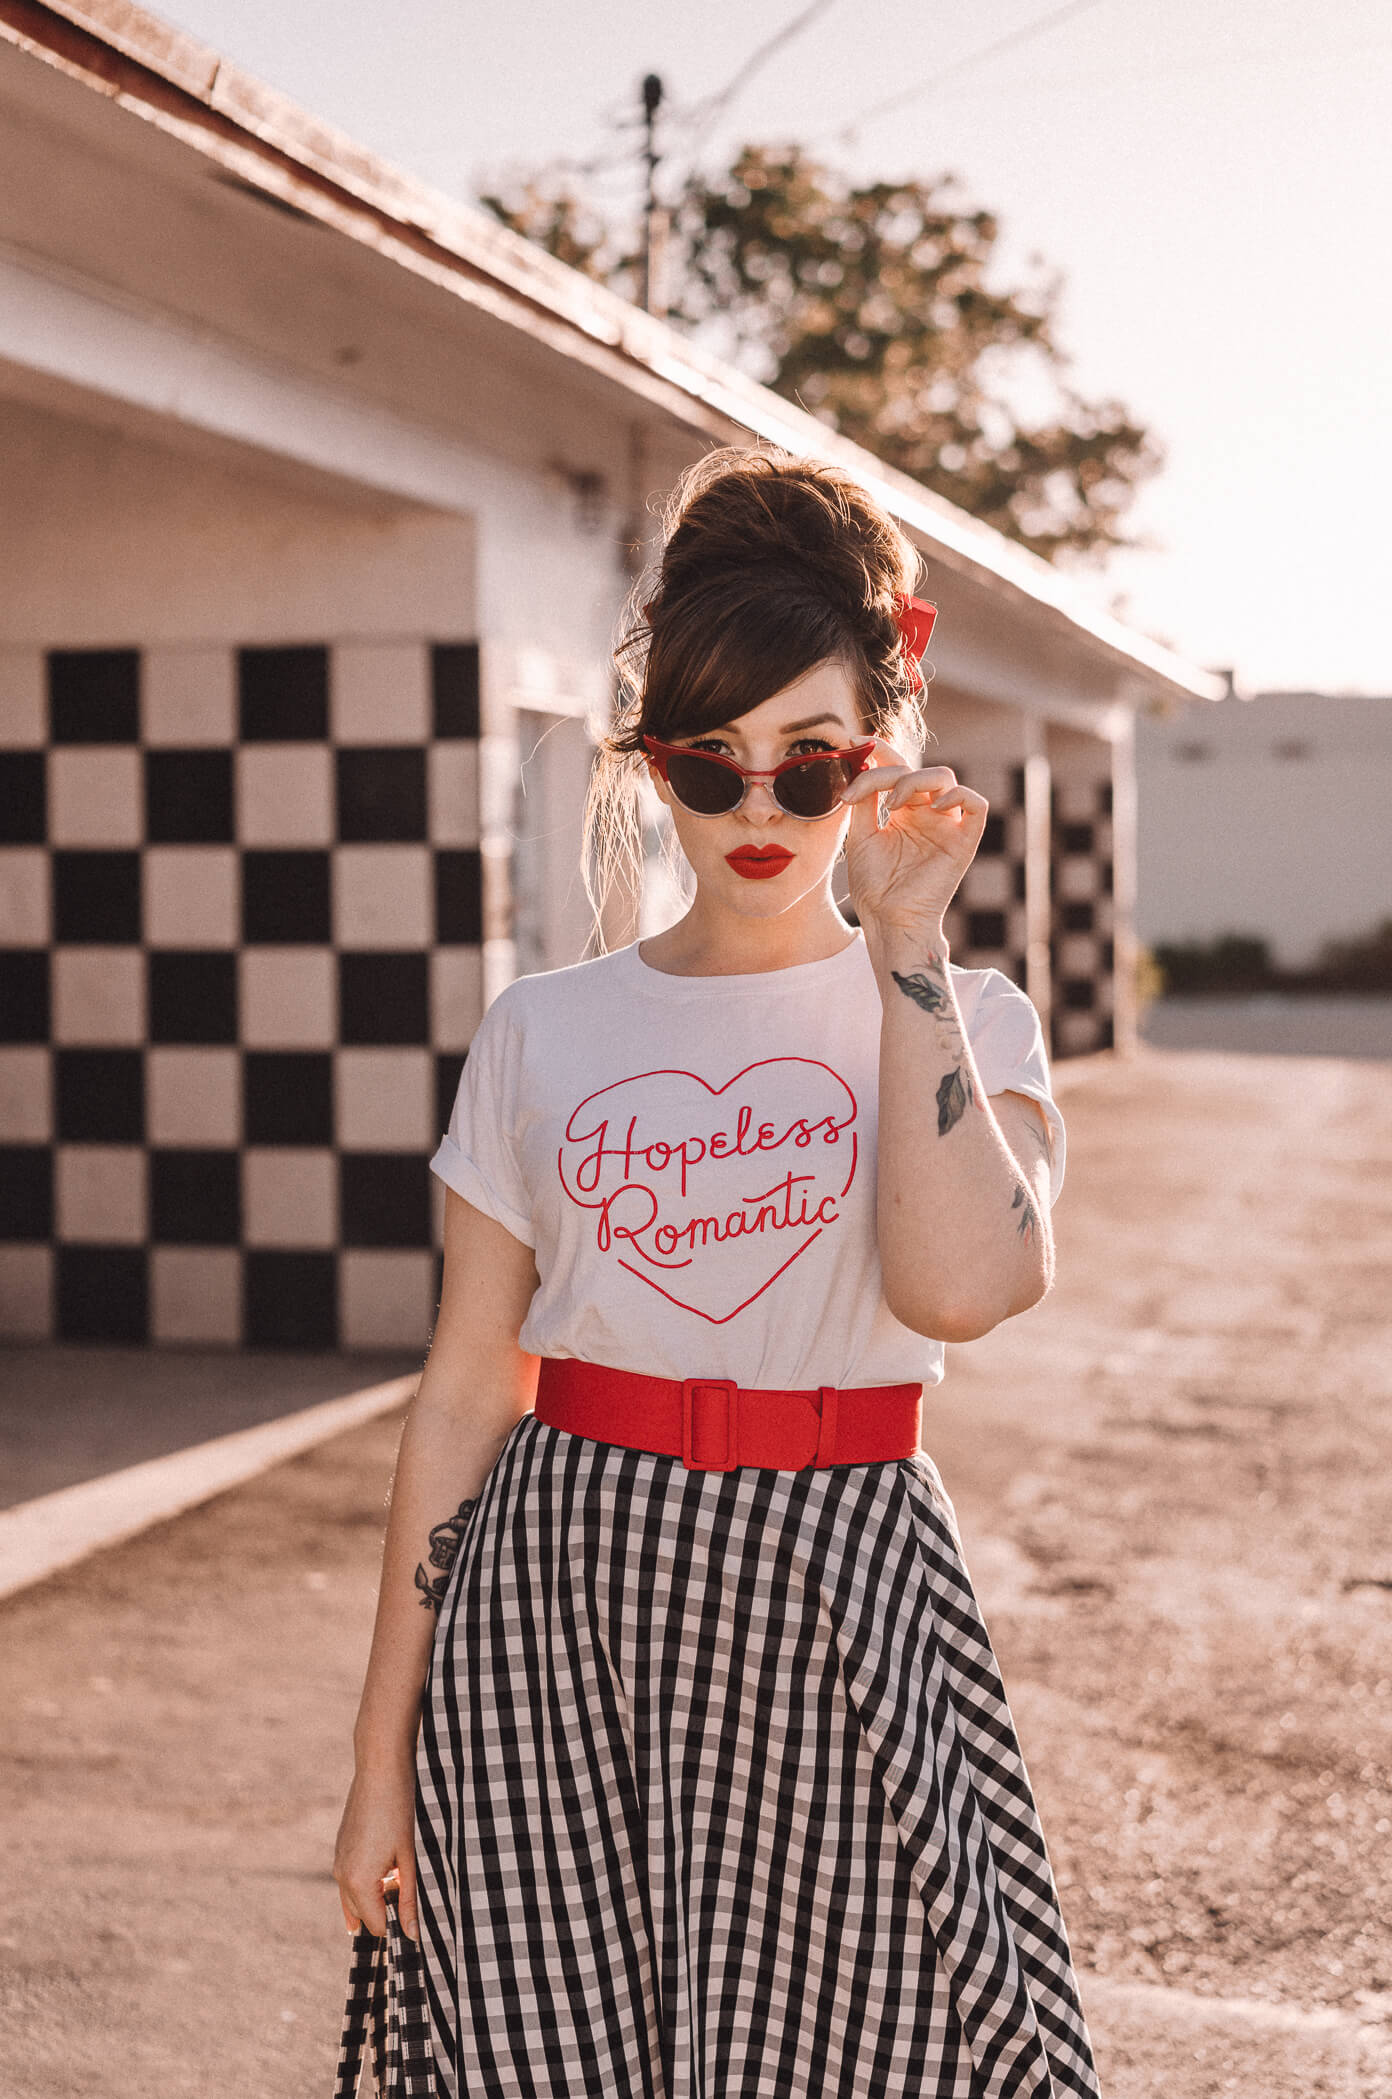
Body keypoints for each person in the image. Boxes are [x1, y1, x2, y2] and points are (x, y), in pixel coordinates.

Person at [333, 445, 1102, 2098]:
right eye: (711, 763)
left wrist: (906, 946)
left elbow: (962, 1290)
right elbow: (469, 1389)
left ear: (878, 755)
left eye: (810, 767)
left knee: (885, 2049)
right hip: (556, 1603)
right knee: (555, 2058)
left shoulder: (969, 1023)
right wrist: (377, 1753)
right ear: (652, 762)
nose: (760, 810)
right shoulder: (545, 1028)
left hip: (844, 1582)